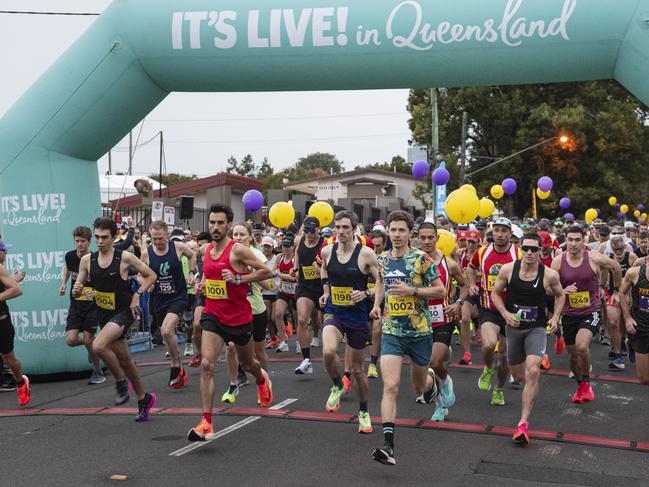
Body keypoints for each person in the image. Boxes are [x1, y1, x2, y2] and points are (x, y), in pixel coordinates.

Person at [188, 205, 273, 441]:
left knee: (248, 364)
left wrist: (238, 278)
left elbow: (267, 272)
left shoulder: (238, 251)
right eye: (212, 223)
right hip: (213, 315)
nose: (215, 227)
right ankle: (206, 422)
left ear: (228, 224)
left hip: (238, 318)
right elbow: (209, 275)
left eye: (220, 223)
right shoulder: (206, 250)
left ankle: (261, 379)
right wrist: (202, 284)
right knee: (206, 364)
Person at [370, 211, 444, 466]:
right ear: (387, 232)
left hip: (420, 332)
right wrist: (378, 304)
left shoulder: (421, 259)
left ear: (409, 234)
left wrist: (412, 290)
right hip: (392, 331)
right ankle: (388, 446)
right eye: (394, 230)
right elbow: (380, 281)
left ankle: (431, 380)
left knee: (418, 387)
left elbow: (440, 290)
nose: (398, 235)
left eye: (402, 231)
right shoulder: (381, 259)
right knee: (390, 386)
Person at [73, 218, 157, 421]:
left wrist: (138, 294)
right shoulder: (87, 261)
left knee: (98, 345)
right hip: (103, 313)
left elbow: (151, 275)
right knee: (126, 361)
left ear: (113, 237)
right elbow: (78, 291)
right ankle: (143, 398)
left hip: (123, 312)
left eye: (105, 237)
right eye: (97, 237)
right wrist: (78, 290)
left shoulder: (125, 257)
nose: (100, 241)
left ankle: (120, 382)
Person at [491, 234, 565, 446]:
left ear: (541, 250)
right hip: (513, 328)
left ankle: (522, 424)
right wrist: (505, 314)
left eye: (534, 249)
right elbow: (495, 294)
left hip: (536, 328)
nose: (530, 253)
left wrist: (555, 317)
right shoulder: (508, 269)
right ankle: (521, 382)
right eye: (526, 249)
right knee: (517, 373)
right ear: (520, 248)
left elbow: (561, 295)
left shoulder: (548, 274)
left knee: (533, 371)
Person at [319, 211, 378, 433]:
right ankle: (337, 385)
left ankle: (363, 411)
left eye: (345, 227)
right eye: (337, 228)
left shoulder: (366, 254)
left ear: (354, 229)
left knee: (357, 370)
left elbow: (380, 281)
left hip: (358, 318)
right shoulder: (327, 250)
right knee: (328, 351)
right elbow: (324, 268)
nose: (341, 232)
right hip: (335, 313)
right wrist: (326, 290)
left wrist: (367, 294)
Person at [551, 225, 621, 404]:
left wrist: (615, 290)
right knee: (573, 355)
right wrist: (562, 290)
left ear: (584, 240)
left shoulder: (593, 258)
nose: (573, 244)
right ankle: (581, 384)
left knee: (582, 347)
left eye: (577, 240)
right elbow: (549, 288)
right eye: (570, 240)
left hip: (590, 311)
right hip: (568, 313)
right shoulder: (558, 261)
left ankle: (587, 382)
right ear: (565, 240)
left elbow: (615, 266)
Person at [468, 217, 521, 406]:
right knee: (489, 345)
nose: (499, 234)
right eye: (496, 230)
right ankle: (489, 368)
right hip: (488, 308)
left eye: (504, 231)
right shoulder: (482, 253)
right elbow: (471, 268)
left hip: (511, 310)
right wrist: (472, 284)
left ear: (510, 233)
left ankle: (498, 389)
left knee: (505, 356)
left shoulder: (519, 255)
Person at [418, 222, 467, 421]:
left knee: (434, 361)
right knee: (427, 366)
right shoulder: (411, 261)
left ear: (437, 238)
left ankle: (445, 382)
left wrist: (458, 303)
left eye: (431, 237)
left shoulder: (450, 264)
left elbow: (465, 285)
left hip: (442, 318)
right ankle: (440, 406)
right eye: (423, 237)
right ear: (418, 238)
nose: (427, 241)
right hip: (418, 320)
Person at [221, 222, 273, 403]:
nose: (238, 238)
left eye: (242, 234)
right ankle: (233, 383)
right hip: (234, 309)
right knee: (231, 347)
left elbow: (268, 282)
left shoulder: (256, 255)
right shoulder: (227, 253)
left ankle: (264, 382)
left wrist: (247, 275)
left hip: (255, 309)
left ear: (250, 236)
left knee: (258, 352)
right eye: (235, 234)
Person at [141, 221, 196, 389]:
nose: (157, 242)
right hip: (159, 299)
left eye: (160, 238)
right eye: (154, 238)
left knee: (166, 329)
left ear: (167, 235)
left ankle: (175, 365)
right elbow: (139, 274)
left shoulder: (177, 247)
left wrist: (192, 272)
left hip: (178, 297)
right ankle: (177, 364)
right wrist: (146, 283)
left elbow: (193, 254)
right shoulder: (146, 253)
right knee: (166, 334)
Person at [60, 226, 105, 384]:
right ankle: (93, 345)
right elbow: (68, 268)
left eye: (83, 241)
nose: (79, 244)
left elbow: (102, 281)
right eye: (77, 241)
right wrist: (64, 283)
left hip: (92, 306)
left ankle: (98, 372)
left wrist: (94, 292)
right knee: (71, 340)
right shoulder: (70, 256)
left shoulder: (95, 258)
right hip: (75, 304)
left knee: (87, 340)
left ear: (89, 242)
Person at [293, 216, 325, 374]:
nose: (309, 234)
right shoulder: (299, 240)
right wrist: (296, 269)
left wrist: (319, 269)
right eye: (306, 230)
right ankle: (306, 360)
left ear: (318, 229)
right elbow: (297, 256)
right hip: (305, 286)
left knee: (332, 320)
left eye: (312, 230)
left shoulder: (325, 244)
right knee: (301, 319)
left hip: (322, 287)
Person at [0, 240, 30, 406]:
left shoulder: (0, 268)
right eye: (5, 251)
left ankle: (20, 382)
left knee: (9, 359)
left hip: (1, 322)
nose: (6, 254)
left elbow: (16, 290)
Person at [603, 235, 636, 369]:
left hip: (629, 294)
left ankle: (630, 344)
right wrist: (602, 288)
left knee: (628, 326)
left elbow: (638, 277)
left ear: (625, 246)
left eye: (620, 248)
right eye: (615, 249)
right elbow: (603, 277)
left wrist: (633, 296)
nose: (618, 252)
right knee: (613, 323)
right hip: (614, 294)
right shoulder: (609, 259)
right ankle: (618, 357)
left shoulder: (631, 257)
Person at [620, 258, 649, 385]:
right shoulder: (635, 273)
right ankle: (631, 342)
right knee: (644, 379)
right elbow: (622, 293)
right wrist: (627, 318)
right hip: (642, 326)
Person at [188, 232, 211, 368]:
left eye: (202, 246)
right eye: (198, 246)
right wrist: (197, 285)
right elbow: (197, 278)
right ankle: (200, 354)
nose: (200, 249)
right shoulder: (198, 260)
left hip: (220, 299)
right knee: (197, 325)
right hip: (203, 297)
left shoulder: (219, 257)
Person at [272, 234, 297, 353]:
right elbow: (273, 271)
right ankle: (283, 342)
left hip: (296, 290)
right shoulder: (279, 257)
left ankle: (299, 342)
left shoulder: (296, 259)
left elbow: (294, 278)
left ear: (293, 247)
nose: (285, 248)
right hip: (284, 290)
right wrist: (278, 273)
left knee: (299, 319)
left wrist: (280, 274)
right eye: (283, 246)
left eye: (288, 246)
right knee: (278, 314)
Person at [459, 229, 481, 364]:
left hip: (481, 290)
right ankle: (467, 353)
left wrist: (475, 274)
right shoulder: (460, 254)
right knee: (465, 318)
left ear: (478, 242)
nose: (471, 245)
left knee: (482, 321)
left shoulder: (481, 254)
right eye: (469, 242)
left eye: (474, 242)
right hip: (467, 289)